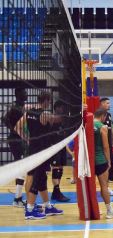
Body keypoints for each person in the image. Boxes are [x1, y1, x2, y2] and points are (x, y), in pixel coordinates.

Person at [15, 92, 63, 220]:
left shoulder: (29, 113)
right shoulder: (45, 114)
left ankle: (47, 206)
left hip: (33, 149)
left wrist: (27, 139)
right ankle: (30, 210)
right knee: (36, 179)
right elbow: (59, 119)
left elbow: (17, 128)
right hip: (42, 151)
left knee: (41, 178)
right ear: (47, 101)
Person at [93, 108, 113, 218]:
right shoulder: (103, 127)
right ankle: (109, 211)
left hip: (90, 161)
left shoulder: (86, 125)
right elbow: (106, 146)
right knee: (104, 186)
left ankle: (94, 209)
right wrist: (109, 161)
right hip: (101, 160)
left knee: (91, 186)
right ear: (103, 116)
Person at [2, 87, 28, 207]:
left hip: (17, 140)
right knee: (21, 168)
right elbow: (4, 119)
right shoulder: (16, 108)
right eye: (24, 92)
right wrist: (14, 130)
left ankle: (17, 198)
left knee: (22, 168)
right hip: (16, 140)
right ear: (19, 94)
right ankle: (17, 200)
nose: (26, 93)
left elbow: (4, 119)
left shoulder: (19, 106)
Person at [50, 100, 70, 202]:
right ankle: (57, 192)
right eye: (61, 107)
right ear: (57, 108)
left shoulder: (63, 119)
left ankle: (55, 192)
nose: (63, 109)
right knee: (56, 168)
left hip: (61, 146)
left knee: (60, 169)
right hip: (54, 147)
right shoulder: (52, 118)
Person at [99, 97, 113, 196]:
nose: (109, 105)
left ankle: (106, 187)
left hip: (109, 144)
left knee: (109, 166)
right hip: (102, 145)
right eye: (107, 103)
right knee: (105, 166)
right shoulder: (99, 115)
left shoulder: (109, 115)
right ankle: (104, 188)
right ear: (102, 104)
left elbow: (112, 127)